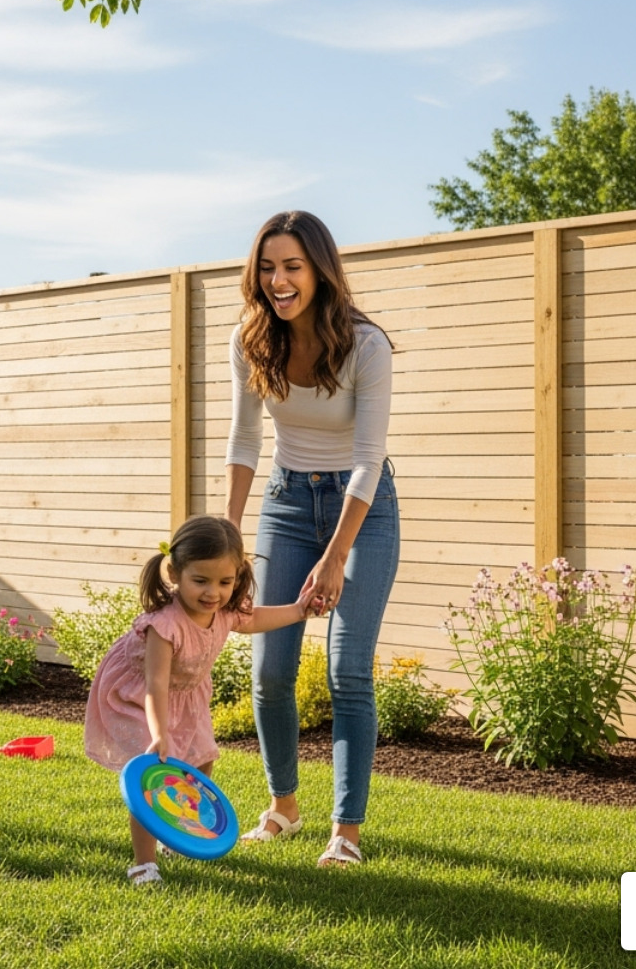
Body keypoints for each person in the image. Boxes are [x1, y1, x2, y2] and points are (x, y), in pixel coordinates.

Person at [224, 210, 399, 868]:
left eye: (292, 267)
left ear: (320, 271)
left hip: (363, 511)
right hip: (287, 503)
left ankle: (345, 833)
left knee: (347, 669)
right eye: (268, 267)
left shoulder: (365, 346)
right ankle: (283, 807)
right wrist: (229, 536)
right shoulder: (250, 339)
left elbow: (368, 458)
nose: (278, 281)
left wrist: (335, 557)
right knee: (270, 670)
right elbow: (245, 439)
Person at [84, 515, 317, 885]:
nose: (213, 593)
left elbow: (254, 619)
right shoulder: (165, 625)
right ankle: (144, 863)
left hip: (187, 695)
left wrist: (300, 609)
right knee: (152, 773)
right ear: (175, 573)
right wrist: (159, 734)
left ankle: (176, 832)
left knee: (201, 760)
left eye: (225, 582)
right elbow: (155, 684)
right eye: (201, 581)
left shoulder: (224, 611)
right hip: (138, 696)